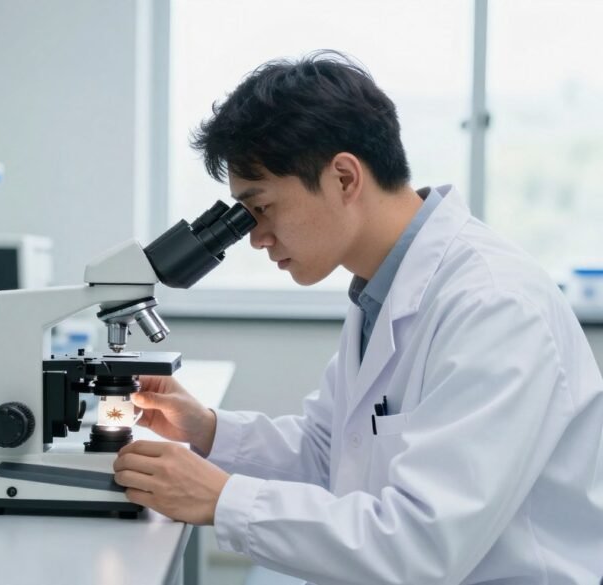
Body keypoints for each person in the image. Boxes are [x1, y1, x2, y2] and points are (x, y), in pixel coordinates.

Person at [113, 51, 603, 584]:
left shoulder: (495, 306)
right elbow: (332, 455)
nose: (255, 238)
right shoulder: (382, 290)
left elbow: (422, 546)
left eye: (262, 208)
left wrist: (223, 500)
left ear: (345, 178)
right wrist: (208, 430)